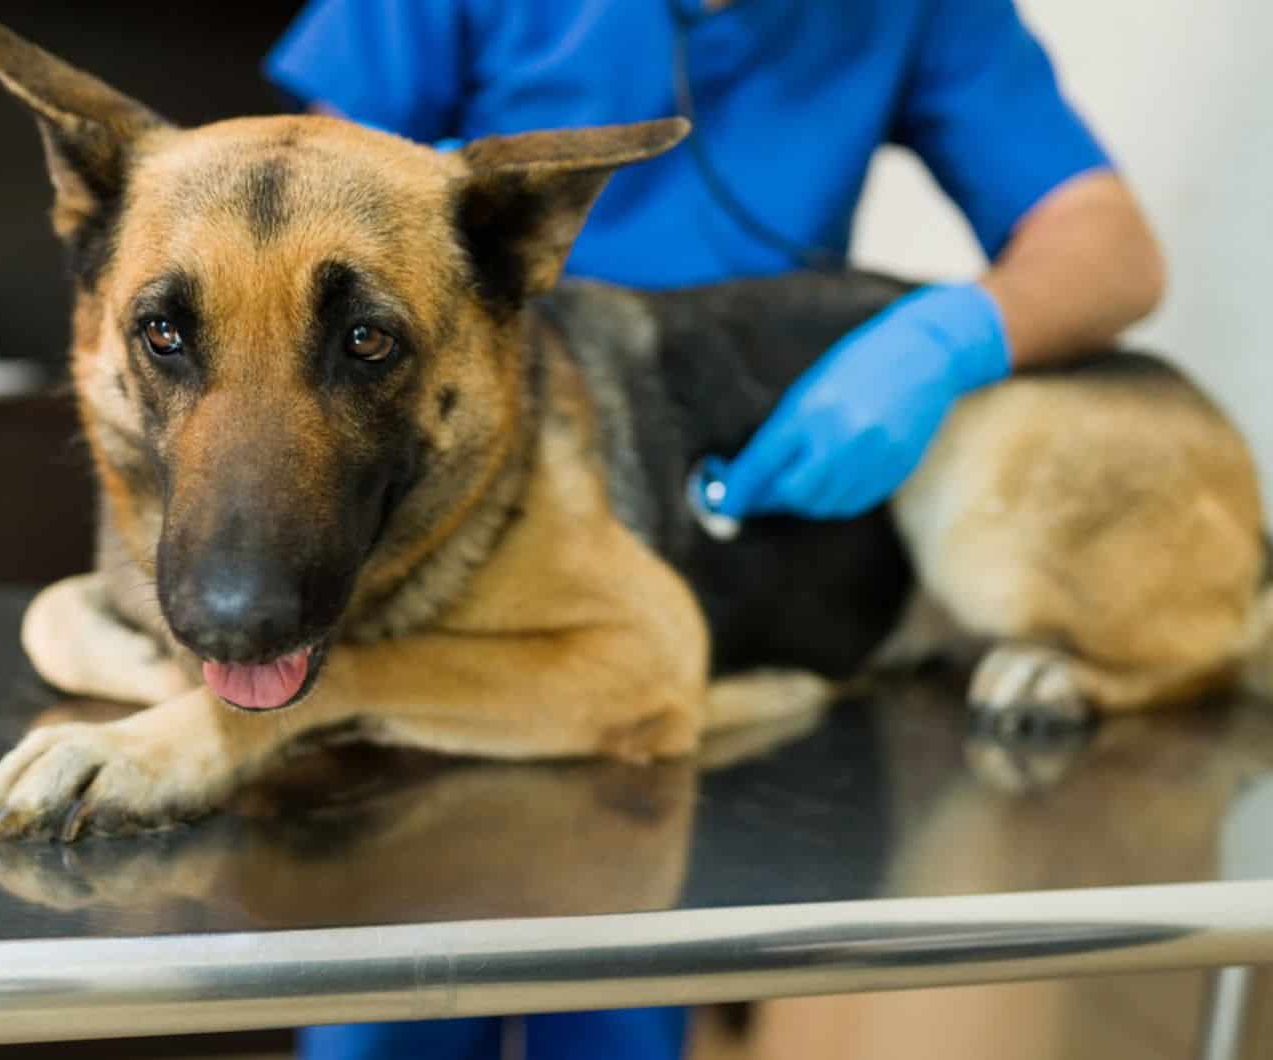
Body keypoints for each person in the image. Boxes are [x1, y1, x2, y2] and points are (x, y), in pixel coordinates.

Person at [264, 1, 1163, 1056]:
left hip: (725, 525)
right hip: (477, 490)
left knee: (623, 996)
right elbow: (296, 205)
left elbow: (1112, 248)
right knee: (383, 993)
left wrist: (954, 335)